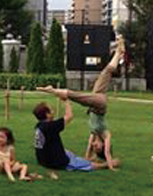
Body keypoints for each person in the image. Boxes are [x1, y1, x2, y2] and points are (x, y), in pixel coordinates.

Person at [38, 36, 125, 171]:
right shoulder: (106, 135)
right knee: (77, 96)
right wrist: (111, 166)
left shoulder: (92, 133)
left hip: (95, 100)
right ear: (103, 145)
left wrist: (87, 157)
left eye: (95, 147)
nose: (95, 146)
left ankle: (119, 53)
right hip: (100, 104)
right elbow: (107, 153)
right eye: (98, 147)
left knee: (106, 72)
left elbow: (87, 151)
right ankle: (54, 91)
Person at [33, 91, 121, 173]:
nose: (53, 111)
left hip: (43, 160)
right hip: (56, 162)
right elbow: (69, 116)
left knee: (69, 153)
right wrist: (66, 100)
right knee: (85, 165)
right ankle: (104, 165)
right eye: (51, 110)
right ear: (47, 114)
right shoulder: (50, 126)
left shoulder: (39, 126)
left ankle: (84, 159)